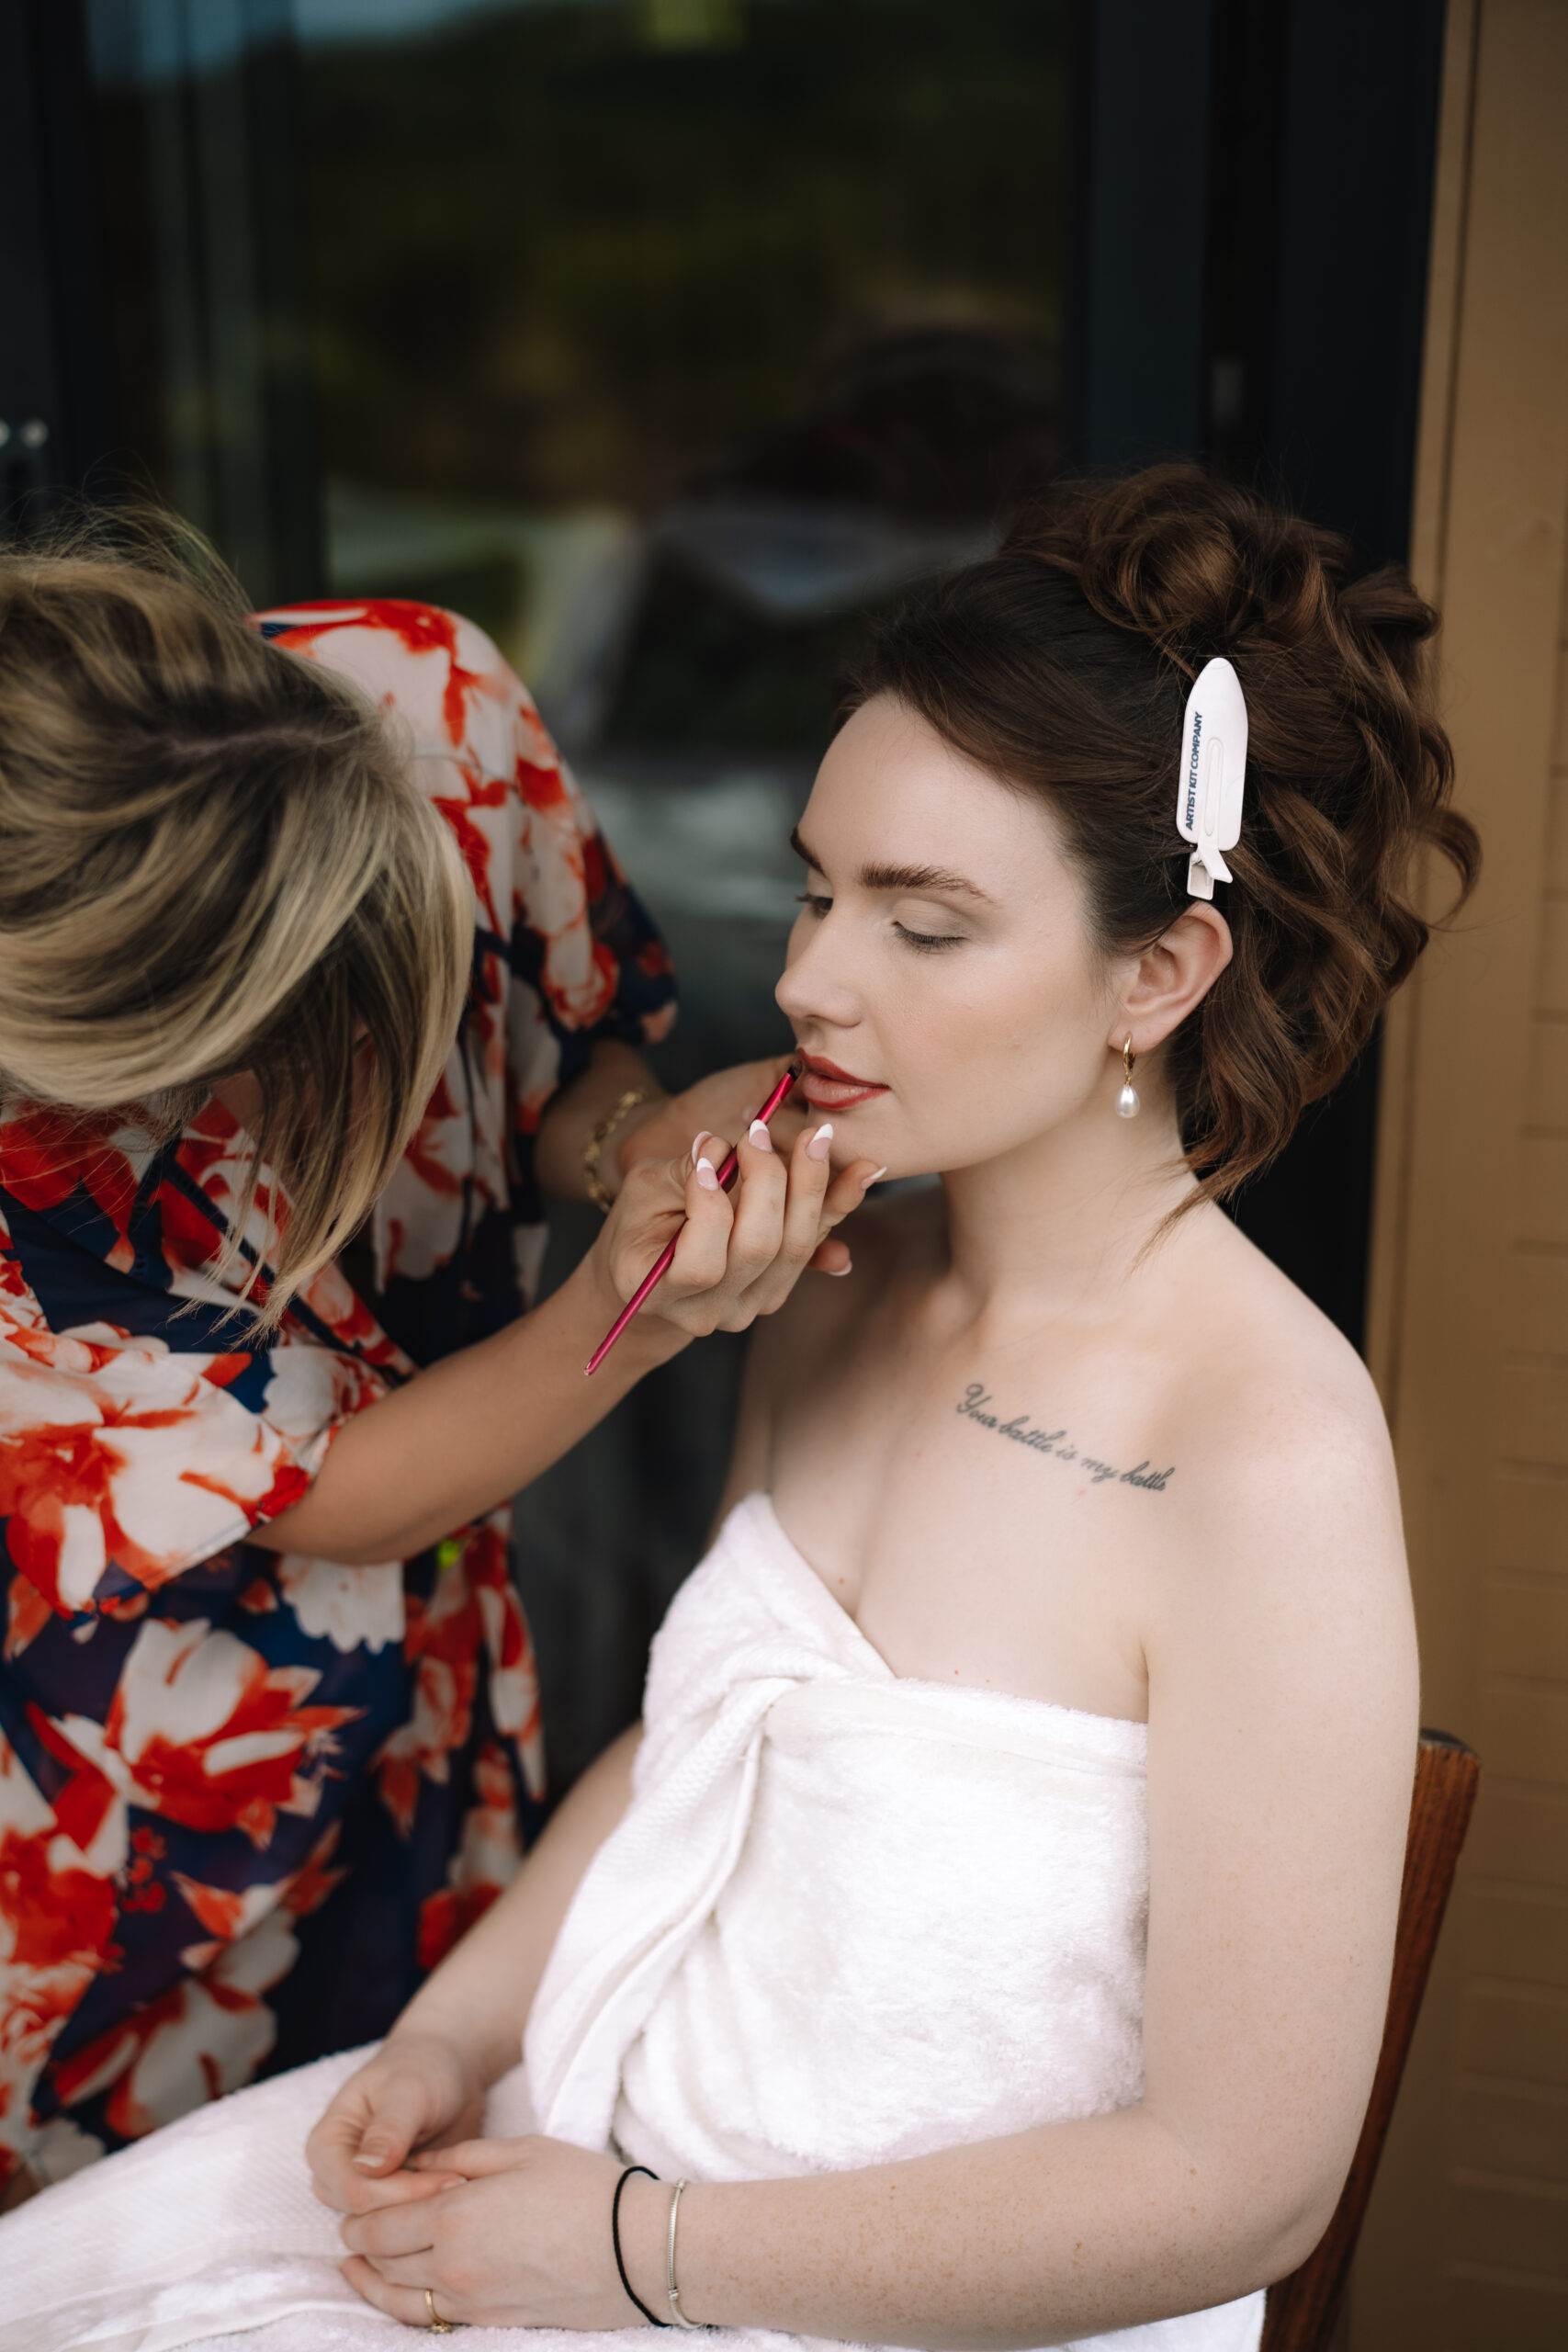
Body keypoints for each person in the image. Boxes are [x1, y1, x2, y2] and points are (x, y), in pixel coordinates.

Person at [0, 468, 1478, 2352]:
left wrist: (639, 2251)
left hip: (840, 2283)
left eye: (920, 926)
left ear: (1155, 973)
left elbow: (1244, 2182)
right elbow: (700, 1743)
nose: (798, 978)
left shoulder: (1265, 1454)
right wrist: (453, 2032)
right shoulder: (825, 1305)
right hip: (594, 2148)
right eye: (811, 885)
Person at [0, 532, 876, 2208]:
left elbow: (571, 1049)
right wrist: (640, 1307)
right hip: (143, 1753)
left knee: (401, 2138)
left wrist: (634, 1148)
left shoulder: (426, 700)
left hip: (448, 1670)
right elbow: (334, 1495)